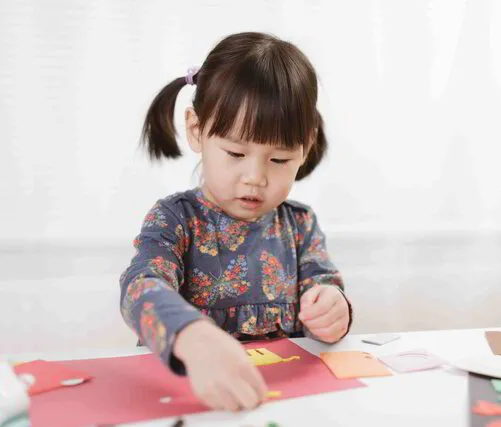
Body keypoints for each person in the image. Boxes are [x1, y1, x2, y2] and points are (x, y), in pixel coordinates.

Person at [119, 32, 353, 412]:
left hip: (280, 403)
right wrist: (191, 336)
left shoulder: (300, 225)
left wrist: (333, 309)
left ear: (305, 146)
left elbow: (323, 287)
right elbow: (139, 287)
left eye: (279, 160)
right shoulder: (175, 219)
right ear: (197, 130)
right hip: (191, 399)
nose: (255, 177)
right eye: (235, 152)